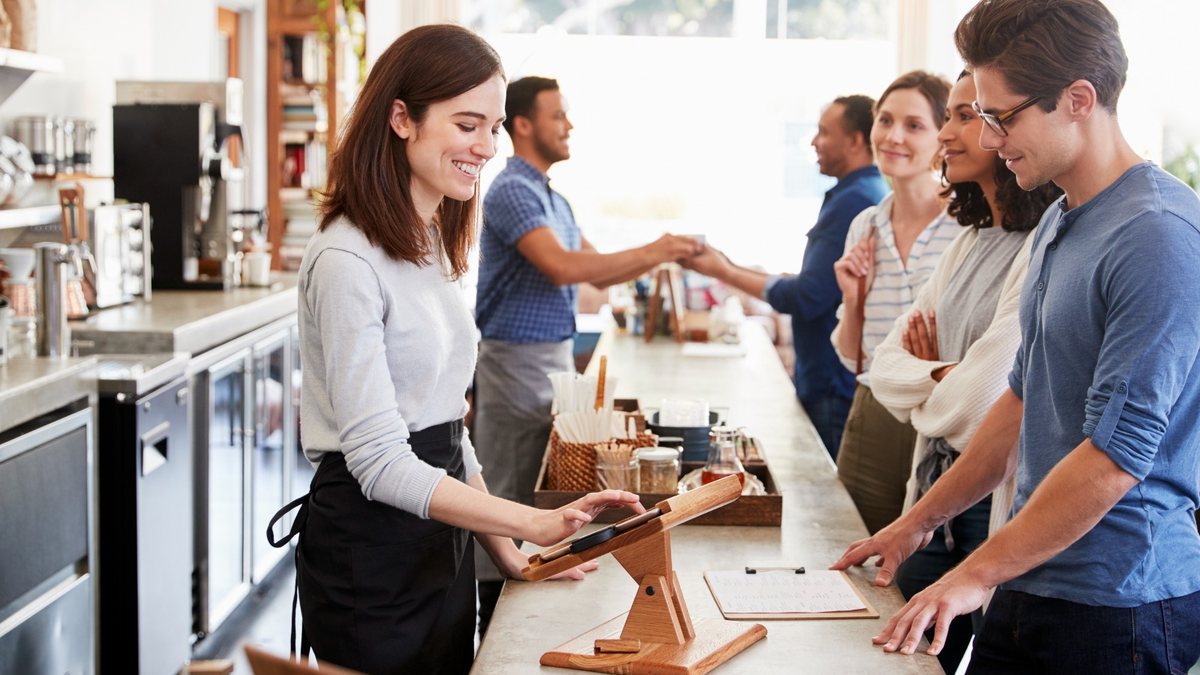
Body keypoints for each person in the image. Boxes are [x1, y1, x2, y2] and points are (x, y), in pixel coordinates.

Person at [833, 1, 1200, 671]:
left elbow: (1112, 460)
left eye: (1003, 117)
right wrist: (915, 524)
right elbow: (1020, 402)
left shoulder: (1158, 235)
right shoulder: (1060, 220)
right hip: (1026, 573)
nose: (993, 139)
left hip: (1118, 603)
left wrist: (970, 574)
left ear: (1078, 99)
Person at [272, 26, 644, 675]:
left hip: (438, 547)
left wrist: (503, 549)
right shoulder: (344, 258)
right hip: (369, 556)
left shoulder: (430, 238)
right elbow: (382, 462)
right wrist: (529, 518)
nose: (487, 146)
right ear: (401, 118)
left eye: (493, 126)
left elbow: (449, 422)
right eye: (468, 124)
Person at [472, 75, 701, 628]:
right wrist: (658, 248)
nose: (569, 125)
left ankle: (522, 612)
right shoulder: (512, 191)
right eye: (558, 115)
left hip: (548, 356)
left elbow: (595, 270)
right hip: (514, 362)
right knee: (506, 487)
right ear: (522, 124)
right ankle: (488, 626)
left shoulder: (552, 195)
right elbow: (566, 268)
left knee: (536, 485)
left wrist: (662, 256)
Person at [863, 71, 1061, 673]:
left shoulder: (1044, 242)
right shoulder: (969, 241)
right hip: (933, 489)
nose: (948, 133)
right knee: (896, 653)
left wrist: (940, 376)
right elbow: (884, 368)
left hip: (990, 502)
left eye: (965, 116)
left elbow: (983, 403)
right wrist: (945, 374)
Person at [682, 94, 888, 458]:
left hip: (831, 383)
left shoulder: (854, 202)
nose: (813, 142)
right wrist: (728, 265)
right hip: (828, 378)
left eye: (824, 132)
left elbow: (807, 296)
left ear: (856, 140)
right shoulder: (860, 193)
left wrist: (724, 271)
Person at [828, 71, 957, 532]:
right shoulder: (866, 224)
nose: (894, 136)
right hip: (874, 414)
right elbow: (852, 357)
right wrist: (853, 299)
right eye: (885, 121)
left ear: (945, 137)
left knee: (925, 571)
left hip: (945, 415)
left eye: (914, 125)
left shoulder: (970, 225)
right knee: (853, 552)